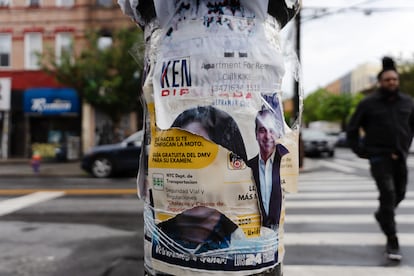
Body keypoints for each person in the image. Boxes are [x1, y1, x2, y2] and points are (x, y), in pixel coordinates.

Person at [347, 56, 414, 261]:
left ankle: (382, 215)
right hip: (379, 157)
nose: (391, 82)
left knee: (400, 194)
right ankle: (392, 240)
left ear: (398, 81)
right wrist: (362, 151)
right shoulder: (368, 103)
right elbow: (352, 128)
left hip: (400, 156)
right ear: (380, 82)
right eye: (387, 80)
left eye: (394, 79)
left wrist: (406, 143)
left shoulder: (408, 102)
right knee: (388, 194)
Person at [247, 108, 289, 230]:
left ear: (278, 133)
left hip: (277, 234)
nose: (267, 136)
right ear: (255, 134)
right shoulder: (247, 167)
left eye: (272, 130)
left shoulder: (286, 160)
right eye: (262, 130)